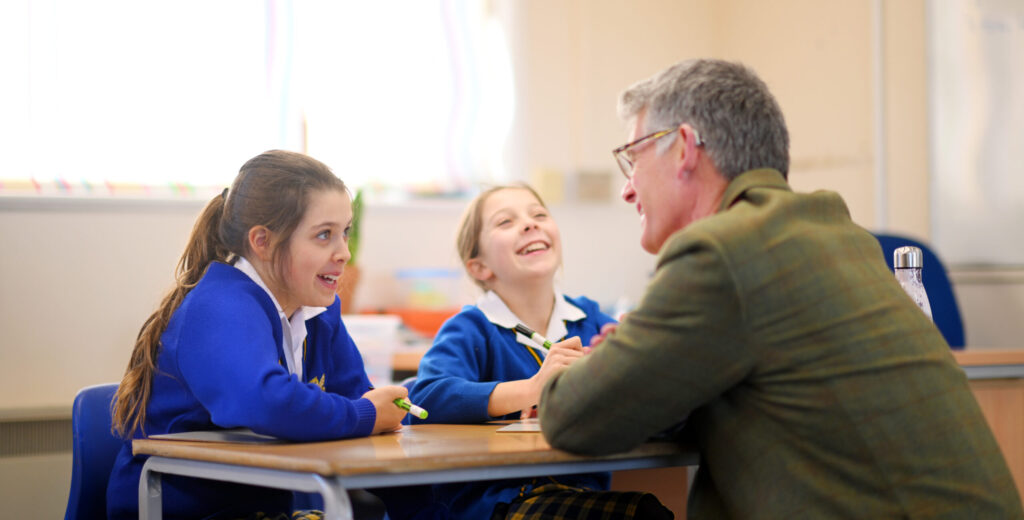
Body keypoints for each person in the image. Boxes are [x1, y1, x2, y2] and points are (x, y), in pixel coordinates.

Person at [538, 59, 1024, 518]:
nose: (627, 189)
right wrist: (640, 360)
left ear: (684, 148)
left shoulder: (722, 252)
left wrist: (599, 365)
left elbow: (572, 418)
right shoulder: (837, 236)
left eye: (633, 158)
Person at [107, 150, 444, 520]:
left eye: (345, 232)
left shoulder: (318, 310)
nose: (344, 252)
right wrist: (365, 414)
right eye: (323, 235)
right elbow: (268, 401)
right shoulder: (220, 305)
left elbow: (360, 402)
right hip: (182, 509)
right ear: (262, 241)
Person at [409, 184, 672, 519]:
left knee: (648, 512)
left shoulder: (590, 321)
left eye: (539, 215)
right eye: (505, 222)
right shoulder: (471, 328)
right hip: (495, 505)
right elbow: (426, 397)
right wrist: (532, 389)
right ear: (479, 268)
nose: (530, 224)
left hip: (580, 493)